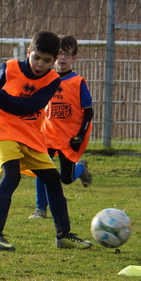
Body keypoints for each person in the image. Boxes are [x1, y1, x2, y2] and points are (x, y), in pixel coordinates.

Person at [0, 31, 93, 251]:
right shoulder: (8, 68)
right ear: (28, 52)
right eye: (36, 57)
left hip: (30, 134)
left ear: (54, 61)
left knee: (53, 178)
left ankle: (64, 235)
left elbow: (29, 107)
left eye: (46, 61)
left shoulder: (53, 80)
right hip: (4, 130)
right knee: (12, 175)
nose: (39, 64)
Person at [26, 36, 94, 220]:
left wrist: (80, 135)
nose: (63, 58)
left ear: (74, 58)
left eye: (67, 54)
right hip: (47, 134)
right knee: (40, 168)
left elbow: (88, 112)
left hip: (69, 137)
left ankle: (81, 168)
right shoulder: (45, 79)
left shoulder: (77, 82)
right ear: (55, 56)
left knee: (66, 178)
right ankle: (40, 209)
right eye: (60, 54)